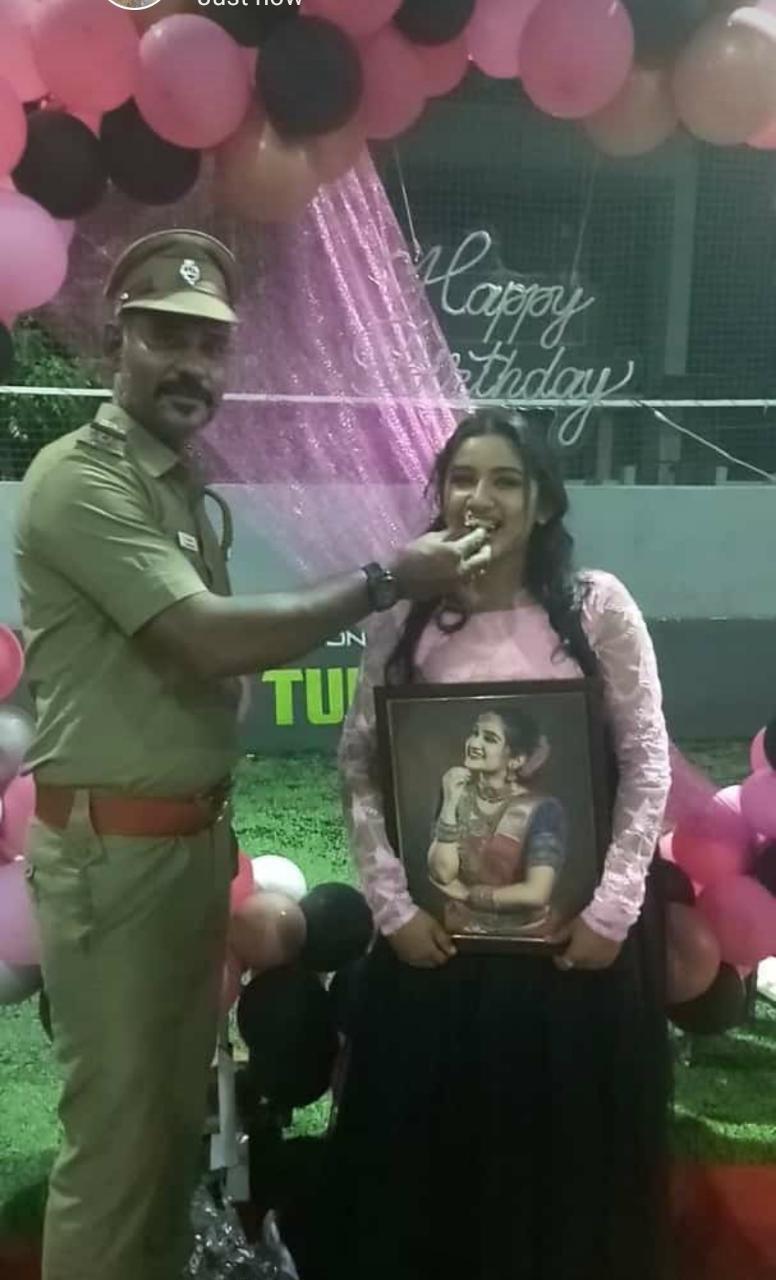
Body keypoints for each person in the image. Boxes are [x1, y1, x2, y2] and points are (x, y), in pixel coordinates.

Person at [14, 229, 490, 1280]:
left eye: (211, 345)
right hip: (114, 863)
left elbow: (197, 657)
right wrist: (384, 581)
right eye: (167, 338)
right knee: (117, 1148)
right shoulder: (78, 479)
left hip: (184, 850)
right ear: (115, 343)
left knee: (166, 1129)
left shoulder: (180, 488)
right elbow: (201, 635)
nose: (192, 364)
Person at [308, 408, 673, 1280]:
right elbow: (360, 766)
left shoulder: (597, 608)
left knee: (564, 1175)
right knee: (434, 1173)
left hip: (573, 950)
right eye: (463, 479)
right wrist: (393, 909)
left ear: (543, 503)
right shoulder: (404, 619)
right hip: (437, 949)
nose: (481, 497)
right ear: (440, 496)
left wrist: (612, 910)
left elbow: (647, 761)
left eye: (506, 480)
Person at [428, 708, 566, 936]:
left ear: (516, 760)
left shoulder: (541, 810)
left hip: (525, 935)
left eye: (489, 739)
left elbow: (537, 893)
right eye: (474, 733)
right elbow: (442, 874)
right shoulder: (455, 792)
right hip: (460, 929)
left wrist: (469, 895)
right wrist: (450, 802)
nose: (474, 743)